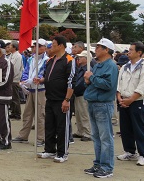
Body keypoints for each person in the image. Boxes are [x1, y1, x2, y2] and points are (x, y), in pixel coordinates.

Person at [35, 35, 75, 163]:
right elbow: (48, 77)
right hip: (50, 97)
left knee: (62, 126)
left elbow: (71, 81)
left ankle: (62, 152)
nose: (50, 47)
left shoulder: (69, 60)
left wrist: (67, 99)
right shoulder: (50, 60)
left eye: (53, 44)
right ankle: (49, 149)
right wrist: (41, 80)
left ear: (61, 46)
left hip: (62, 99)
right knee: (50, 125)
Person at [83, 38, 119, 178]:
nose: (96, 49)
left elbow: (108, 85)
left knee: (105, 137)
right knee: (97, 137)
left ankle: (107, 167)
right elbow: (91, 82)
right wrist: (88, 80)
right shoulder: (98, 65)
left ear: (106, 50)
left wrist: (90, 78)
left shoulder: (110, 65)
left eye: (98, 47)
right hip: (93, 102)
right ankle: (98, 164)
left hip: (103, 104)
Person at [116, 41, 144, 166]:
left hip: (137, 102)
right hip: (124, 100)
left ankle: (143, 155)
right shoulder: (125, 66)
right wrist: (119, 97)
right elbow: (119, 83)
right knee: (125, 128)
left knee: (139, 129)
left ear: (139, 52)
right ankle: (130, 151)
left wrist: (131, 99)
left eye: (131, 50)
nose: (128, 52)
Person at [12, 39, 48, 146]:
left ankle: (41, 138)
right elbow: (26, 71)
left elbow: (44, 73)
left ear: (44, 48)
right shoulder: (31, 59)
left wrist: (38, 79)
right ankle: (23, 135)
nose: (35, 48)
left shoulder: (47, 60)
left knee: (40, 115)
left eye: (39, 46)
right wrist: (24, 81)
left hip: (40, 89)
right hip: (30, 88)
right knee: (27, 113)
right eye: (34, 46)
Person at [72, 50, 92, 141]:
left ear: (86, 59)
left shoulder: (87, 69)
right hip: (78, 93)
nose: (79, 58)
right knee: (79, 113)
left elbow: (82, 83)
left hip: (83, 94)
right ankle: (80, 131)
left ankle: (87, 133)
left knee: (84, 114)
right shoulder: (81, 68)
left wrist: (74, 88)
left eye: (81, 57)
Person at [6, 41, 23, 120]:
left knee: (15, 98)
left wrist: (11, 77)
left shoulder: (18, 56)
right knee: (11, 98)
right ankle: (13, 112)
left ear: (14, 47)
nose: (8, 48)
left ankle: (17, 114)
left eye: (10, 46)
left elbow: (16, 69)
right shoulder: (11, 55)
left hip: (14, 79)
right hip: (10, 79)